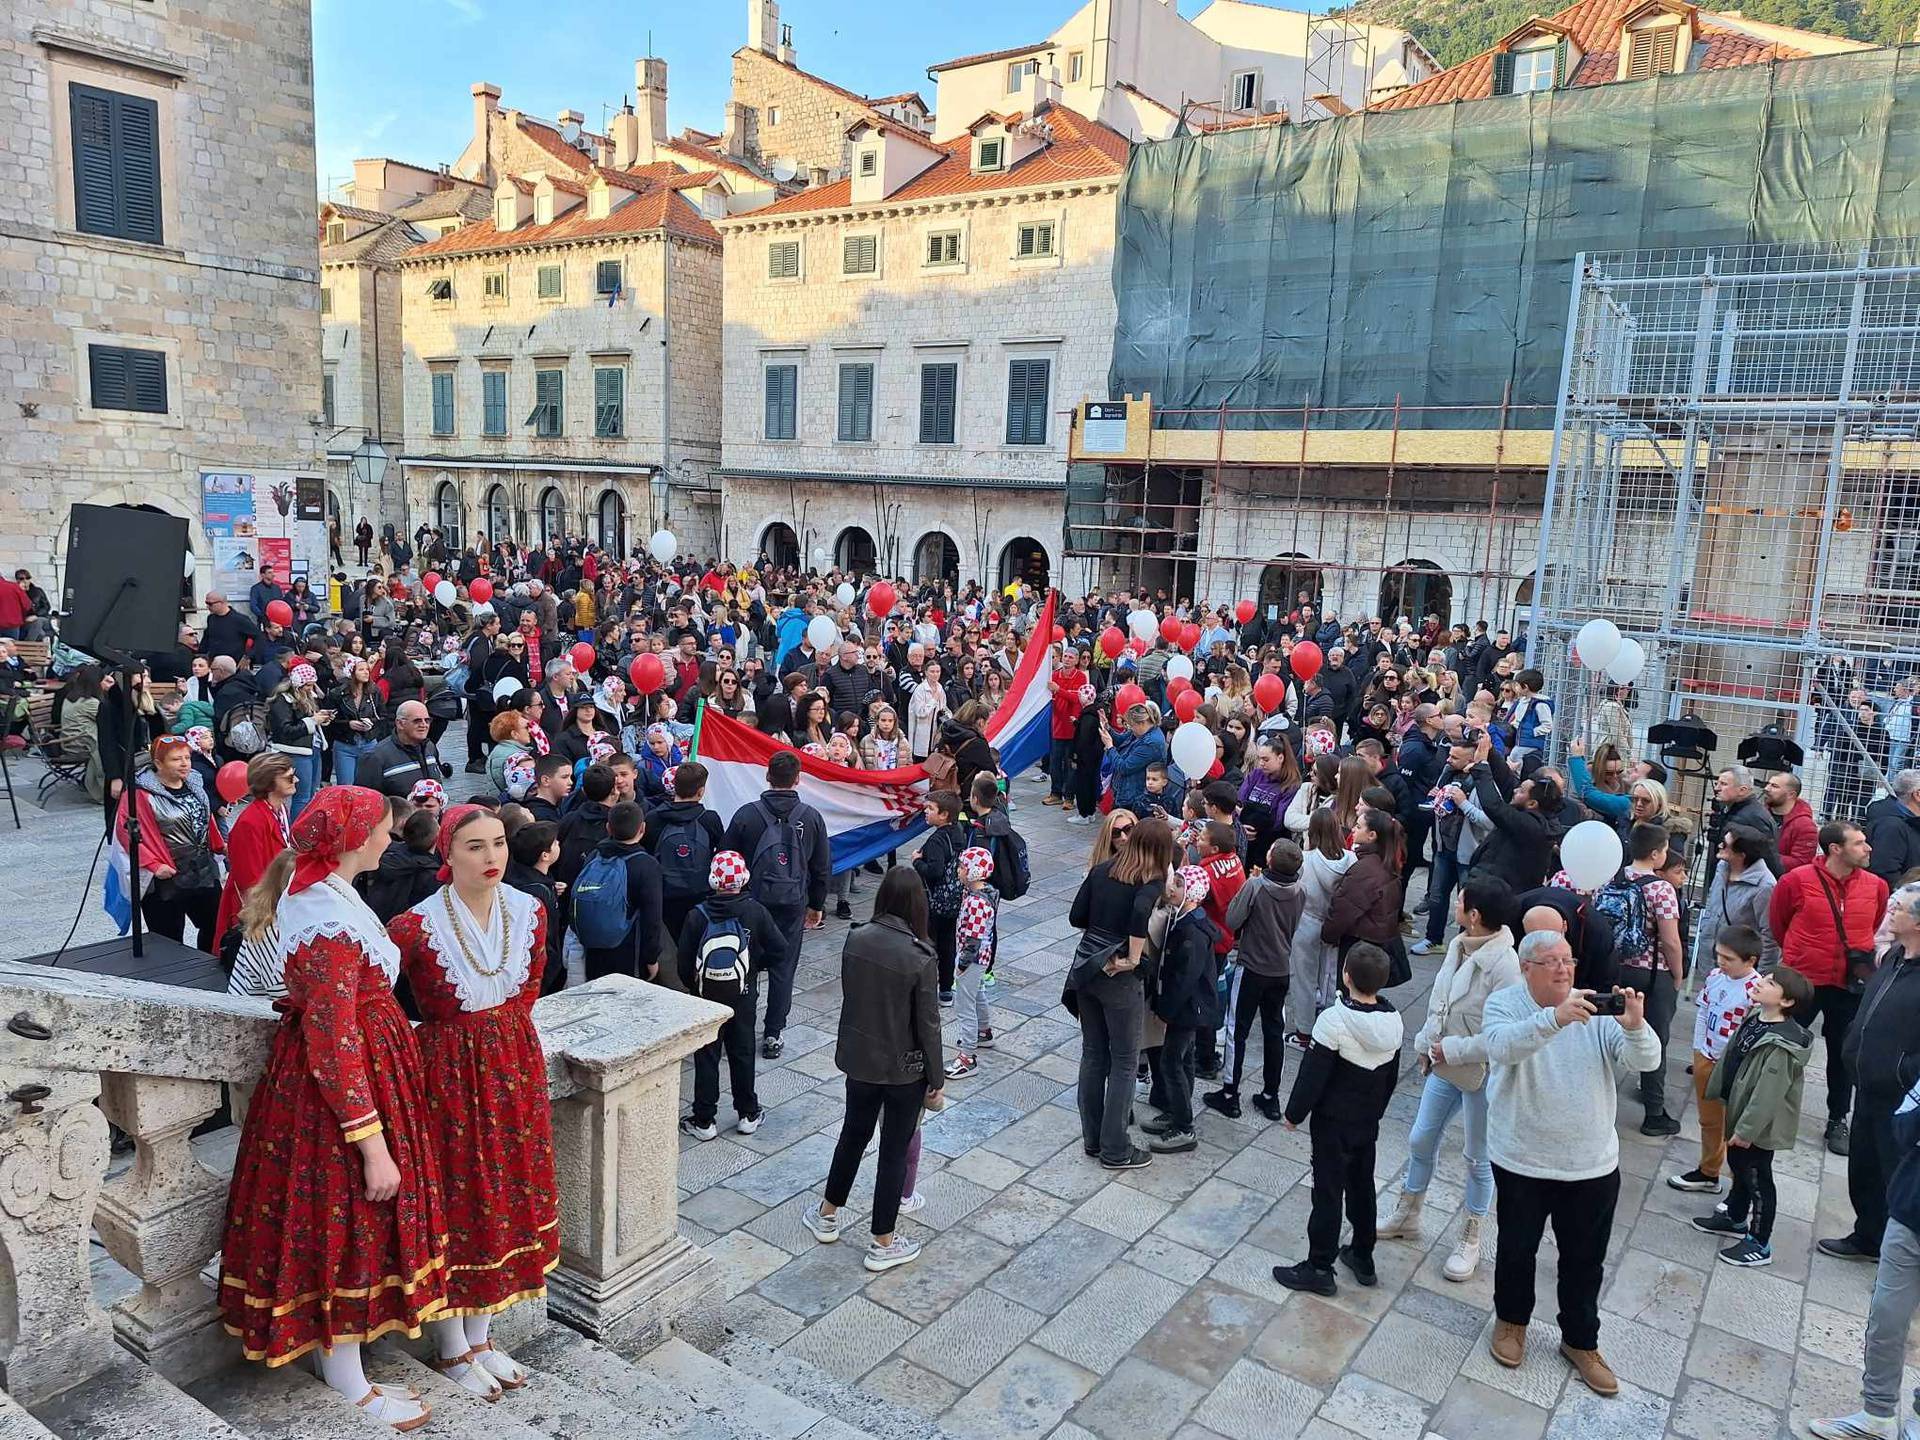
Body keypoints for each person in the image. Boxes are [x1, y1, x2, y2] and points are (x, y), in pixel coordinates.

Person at [216, 787, 446, 1430]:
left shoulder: (327, 897)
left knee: (343, 1225)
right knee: (342, 1225)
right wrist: (372, 1143)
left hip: (362, 1078)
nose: (388, 836)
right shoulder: (325, 917)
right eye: (380, 827)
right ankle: (346, 1377)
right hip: (341, 1098)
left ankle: (344, 1365)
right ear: (352, 840)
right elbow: (334, 1041)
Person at [386, 806, 557, 1398]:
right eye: (476, 846)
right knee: (460, 1199)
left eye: (500, 844)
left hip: (514, 1065)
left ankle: (482, 1334)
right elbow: (378, 1001)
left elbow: (533, 985)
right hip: (447, 1078)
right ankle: (453, 1346)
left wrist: (502, 1047)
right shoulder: (412, 927)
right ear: (448, 855)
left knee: (509, 1193)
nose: (492, 858)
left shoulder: (531, 909)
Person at [1477, 931, 1658, 1397]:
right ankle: (1511, 1322)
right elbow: (1500, 1047)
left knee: (1584, 1260)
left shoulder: (1596, 1011)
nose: (1563, 969)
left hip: (1590, 1165)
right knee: (1517, 1250)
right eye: (1551, 961)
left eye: (1568, 960)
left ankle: (1581, 1341)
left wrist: (1637, 1026)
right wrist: (1553, 1020)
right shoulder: (1505, 1003)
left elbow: (1645, 1060)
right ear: (1526, 969)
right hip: (1521, 1158)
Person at [1377, 873, 1521, 1283]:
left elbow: (1499, 1037)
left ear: (1473, 915)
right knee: (1421, 1137)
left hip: (1483, 1074)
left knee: (1478, 1157)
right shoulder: (1458, 945)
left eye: (1460, 903)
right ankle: (1408, 1212)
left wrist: (1449, 1048)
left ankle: (1471, 1235)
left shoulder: (1505, 967)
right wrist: (1426, 1045)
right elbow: (1440, 1003)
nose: (1453, 906)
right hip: (1443, 1062)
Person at [802, 868, 945, 1273]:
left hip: (860, 1058)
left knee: (852, 1135)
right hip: (905, 1069)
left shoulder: (856, 938)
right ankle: (883, 1239)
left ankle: (828, 1212)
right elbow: (928, 1025)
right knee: (893, 1150)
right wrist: (936, 1078)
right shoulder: (920, 956)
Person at [1271, 942, 1402, 1296]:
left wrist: (1294, 1114)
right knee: (1362, 1186)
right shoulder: (1394, 1021)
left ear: (1345, 976)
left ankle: (1319, 1266)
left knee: (1328, 1191)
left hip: (1332, 1123)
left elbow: (1313, 1074)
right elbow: (1391, 1077)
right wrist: (1377, 1112)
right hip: (1367, 1122)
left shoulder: (1334, 1021)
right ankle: (1363, 1255)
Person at [1772, 820, 1890, 1157]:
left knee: (1843, 1054)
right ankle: (1768, 1105)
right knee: (1784, 1044)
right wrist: (1799, 955)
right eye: (1859, 843)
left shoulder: (1876, 886)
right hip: (1803, 979)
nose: (1868, 848)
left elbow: (1875, 922)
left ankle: (1838, 1117)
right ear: (1835, 849)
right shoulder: (1796, 881)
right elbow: (1779, 923)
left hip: (1848, 984)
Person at [1068, 820, 1176, 1170]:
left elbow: (1075, 916)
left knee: (1093, 1055)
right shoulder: (1149, 882)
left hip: (1087, 967)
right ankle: (1116, 1149)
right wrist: (1132, 955)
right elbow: (1142, 910)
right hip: (1119, 977)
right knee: (1125, 1062)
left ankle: (1093, 1139)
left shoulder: (1101, 871)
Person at [1821, 881, 1920, 1266]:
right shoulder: (1895, 956)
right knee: (1863, 1164)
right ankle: (1868, 1236)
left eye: (1900, 909)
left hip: (1897, 1092)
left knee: (1892, 1170)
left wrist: (1901, 1072)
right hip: (1866, 1081)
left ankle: (1896, 1251)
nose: (1891, 911)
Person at [723, 750, 830, 1059]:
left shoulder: (746, 814)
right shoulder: (811, 817)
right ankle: (773, 1033)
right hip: (792, 903)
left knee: (747, 966)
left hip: (751, 903)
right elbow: (822, 866)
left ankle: (742, 1027)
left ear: (767, 776)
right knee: (784, 968)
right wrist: (817, 904)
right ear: (797, 779)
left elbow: (727, 856)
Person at [678, 852, 782, 1140]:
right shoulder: (755, 911)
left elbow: (684, 964)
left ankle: (704, 1120)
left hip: (705, 998)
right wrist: (753, 968)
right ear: (744, 878)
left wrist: (696, 986)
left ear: (713, 880)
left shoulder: (697, 915)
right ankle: (748, 1112)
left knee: (707, 1057)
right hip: (743, 995)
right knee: (743, 1052)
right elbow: (779, 950)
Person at [1598, 822, 1687, 1136]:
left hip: (1615, 966)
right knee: (1655, 1038)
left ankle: (1598, 1102)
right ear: (1655, 853)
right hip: (1651, 972)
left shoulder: (1615, 876)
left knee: (1605, 1031)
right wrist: (1677, 974)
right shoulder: (1660, 887)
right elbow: (1671, 940)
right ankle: (1654, 1112)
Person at [1208, 837, 1304, 1122]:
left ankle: (1229, 1093)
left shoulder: (1256, 886)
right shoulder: (1301, 890)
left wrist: (1249, 888)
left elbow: (1233, 920)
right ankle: (1271, 1096)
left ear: (1271, 860)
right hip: (1280, 969)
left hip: (1251, 967)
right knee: (1275, 1030)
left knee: (1237, 1030)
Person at [1669, 923, 1765, 1196]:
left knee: (1734, 1127)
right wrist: (1699, 1049)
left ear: (1750, 960)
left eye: (1729, 959)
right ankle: (1709, 1171)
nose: (1721, 963)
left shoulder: (1756, 990)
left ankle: (1739, 1189)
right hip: (1707, 1058)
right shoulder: (1714, 977)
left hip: (1734, 1068)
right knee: (1709, 1120)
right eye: (1719, 956)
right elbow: (1703, 1011)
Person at [1141, 865, 1223, 1154]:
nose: (1171, 888)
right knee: (1183, 1060)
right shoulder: (1184, 919)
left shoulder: (1191, 930)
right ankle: (1178, 1112)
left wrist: (1166, 1009)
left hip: (1187, 1009)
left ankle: (1184, 1127)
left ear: (1192, 893)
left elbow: (1185, 977)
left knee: (1171, 1062)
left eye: (1177, 884)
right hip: (1186, 1008)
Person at [117, 735, 224, 950]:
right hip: (167, 876)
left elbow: (205, 817)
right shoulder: (139, 794)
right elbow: (125, 832)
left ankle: (209, 969)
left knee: (215, 926)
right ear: (158, 763)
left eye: (187, 757)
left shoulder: (195, 782)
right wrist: (154, 865)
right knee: (168, 939)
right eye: (176, 759)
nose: (185, 763)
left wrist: (220, 845)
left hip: (202, 869)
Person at [572, 801, 663, 982]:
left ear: (608, 828)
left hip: (592, 950)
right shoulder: (646, 865)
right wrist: (651, 958)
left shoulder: (594, 856)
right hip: (629, 952)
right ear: (642, 829)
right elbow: (652, 918)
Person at [214, 753, 297, 945]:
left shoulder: (280, 809)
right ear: (268, 782)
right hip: (258, 909)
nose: (296, 780)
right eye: (289, 778)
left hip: (276, 898)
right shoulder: (250, 822)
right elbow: (249, 881)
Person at [942, 847, 1000, 1081]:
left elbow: (973, 939)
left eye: (963, 867)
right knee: (978, 994)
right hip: (981, 958)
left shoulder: (976, 902)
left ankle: (967, 1056)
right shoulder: (986, 893)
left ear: (974, 871)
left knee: (965, 1006)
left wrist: (962, 965)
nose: (958, 870)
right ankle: (984, 1032)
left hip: (973, 960)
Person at [913, 790, 971, 1006]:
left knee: (928, 943)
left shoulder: (937, 839)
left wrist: (917, 861)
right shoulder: (958, 831)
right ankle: (946, 989)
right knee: (948, 944)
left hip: (935, 902)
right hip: (954, 900)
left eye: (930, 809)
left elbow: (934, 871)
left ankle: (925, 985)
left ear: (944, 814)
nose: (925, 812)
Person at [266, 663, 331, 819]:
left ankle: (304, 829)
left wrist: (321, 718)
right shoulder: (282, 700)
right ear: (298, 684)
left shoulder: (307, 696)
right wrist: (312, 721)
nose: (311, 688)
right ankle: (296, 832)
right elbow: (286, 730)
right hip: (295, 752)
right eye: (308, 685)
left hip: (312, 748)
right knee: (302, 796)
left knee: (311, 794)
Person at [359, 701, 449, 800]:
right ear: (400, 723)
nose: (424, 725)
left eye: (427, 720)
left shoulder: (430, 747)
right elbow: (366, 799)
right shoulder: (376, 757)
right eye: (417, 721)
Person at [1864, 769, 1920, 885]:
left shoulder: (1909, 821)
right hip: (1904, 899)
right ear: (1918, 795)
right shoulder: (1891, 827)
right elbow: (1885, 874)